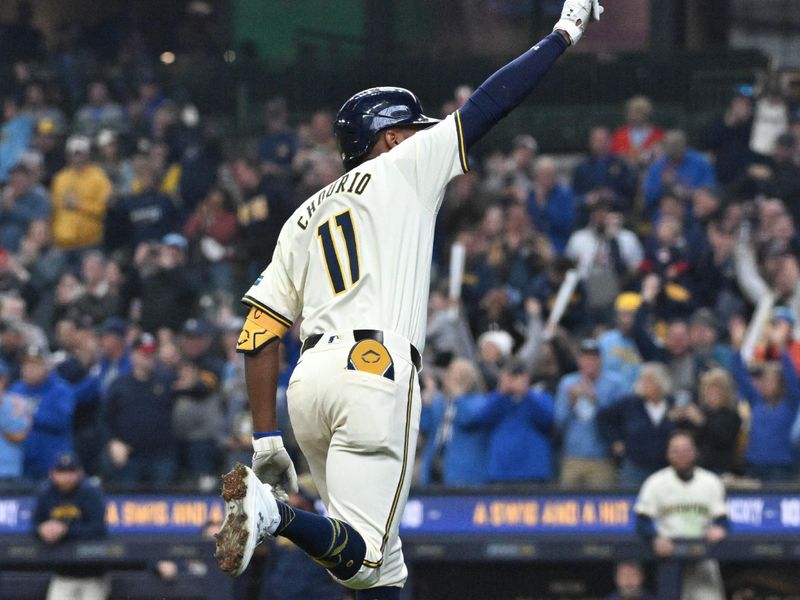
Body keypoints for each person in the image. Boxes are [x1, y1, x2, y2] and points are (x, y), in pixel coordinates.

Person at [214, 3, 604, 598]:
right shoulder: (403, 165)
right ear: (391, 137)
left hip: (307, 383)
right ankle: (275, 517)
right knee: (366, 558)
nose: (428, 136)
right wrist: (562, 33)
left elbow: (259, 330)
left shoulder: (302, 215)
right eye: (416, 129)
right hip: (373, 371)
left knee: (381, 572)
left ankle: (280, 512)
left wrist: (266, 439)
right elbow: (492, 103)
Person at [634, 431, 728, 600]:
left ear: (695, 452)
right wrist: (654, 538)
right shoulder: (655, 482)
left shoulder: (711, 481)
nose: (681, 455)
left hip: (703, 556)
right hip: (668, 556)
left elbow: (723, 519)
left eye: (686, 450)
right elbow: (642, 520)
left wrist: (721, 529)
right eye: (675, 450)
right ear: (668, 454)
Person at [32, 452, 109, 600]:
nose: (66, 477)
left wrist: (65, 530)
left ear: (80, 473)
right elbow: (34, 524)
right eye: (61, 472)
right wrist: (41, 529)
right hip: (62, 575)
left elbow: (97, 528)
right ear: (52, 473)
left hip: (92, 574)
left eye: (70, 472)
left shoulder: (90, 493)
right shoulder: (46, 493)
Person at [555, 338, 626, 488]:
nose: (589, 362)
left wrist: (596, 399)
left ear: (601, 360)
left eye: (593, 357)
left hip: (602, 458)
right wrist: (571, 402)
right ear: (579, 360)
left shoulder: (614, 383)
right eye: (585, 357)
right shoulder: (567, 383)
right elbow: (559, 423)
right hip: (572, 457)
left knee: (601, 506)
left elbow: (620, 419)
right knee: (570, 506)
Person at [597, 362, 676, 486]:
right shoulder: (631, 403)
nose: (645, 384)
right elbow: (603, 417)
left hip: (664, 467)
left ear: (661, 382)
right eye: (643, 380)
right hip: (635, 467)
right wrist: (614, 440)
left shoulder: (672, 404)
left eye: (650, 380)